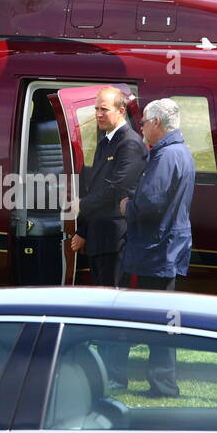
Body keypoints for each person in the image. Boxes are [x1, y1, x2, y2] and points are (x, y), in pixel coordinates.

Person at [69, 85, 146, 387]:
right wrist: (82, 230)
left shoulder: (131, 145)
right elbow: (93, 186)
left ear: (121, 110)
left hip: (117, 239)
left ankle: (117, 376)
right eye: (96, 108)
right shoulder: (105, 141)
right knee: (102, 307)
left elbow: (115, 188)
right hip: (98, 238)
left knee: (115, 308)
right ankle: (103, 372)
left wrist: (80, 206)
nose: (98, 114)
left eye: (104, 109)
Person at [118, 98, 196, 397]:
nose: (141, 127)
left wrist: (128, 206)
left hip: (157, 248)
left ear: (156, 124)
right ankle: (162, 383)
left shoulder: (166, 157)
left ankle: (164, 385)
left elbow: (150, 203)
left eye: (144, 122)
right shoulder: (179, 152)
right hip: (166, 247)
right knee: (162, 320)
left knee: (159, 321)